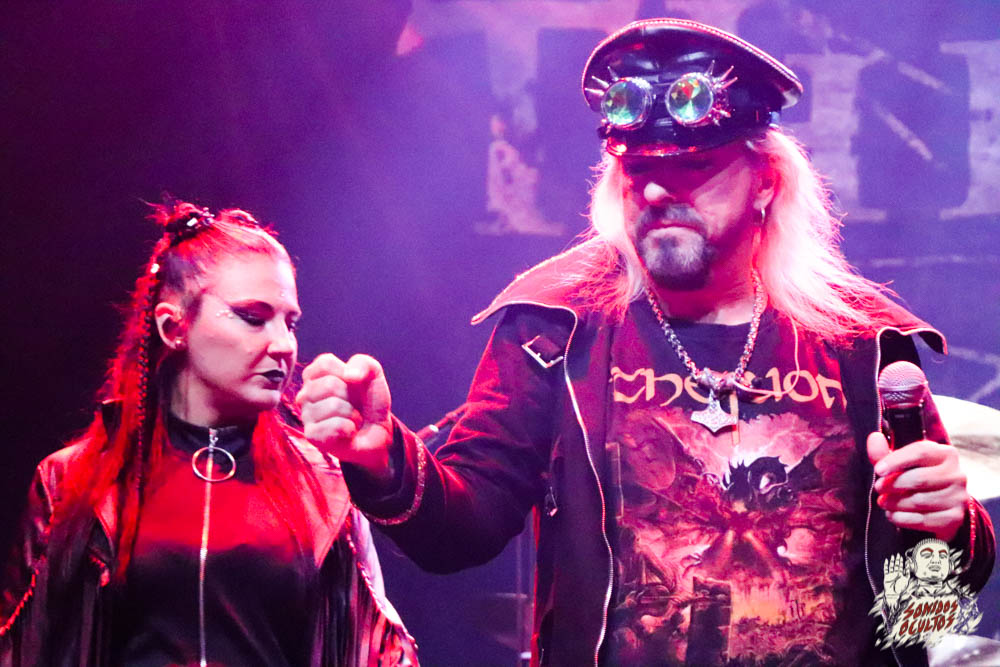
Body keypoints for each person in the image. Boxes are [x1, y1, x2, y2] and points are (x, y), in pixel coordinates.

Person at [296, 18, 994, 666]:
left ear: (765, 182)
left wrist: (949, 528)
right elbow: (462, 532)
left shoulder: (861, 341)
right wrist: (383, 456)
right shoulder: (554, 325)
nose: (657, 191)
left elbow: (929, 604)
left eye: (693, 168)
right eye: (637, 171)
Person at [0, 201, 416, 665]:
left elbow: (379, 651)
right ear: (173, 326)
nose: (284, 345)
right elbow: (23, 648)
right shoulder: (74, 479)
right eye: (253, 317)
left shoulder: (325, 482)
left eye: (290, 322)